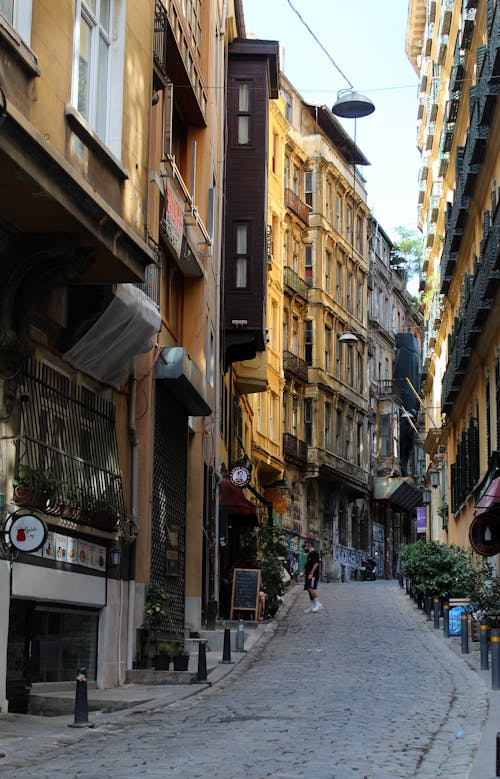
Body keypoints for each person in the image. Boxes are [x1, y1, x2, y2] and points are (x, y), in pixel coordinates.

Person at [301, 539, 322, 613]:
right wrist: (303, 573)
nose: (303, 548)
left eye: (304, 547)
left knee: (310, 588)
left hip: (313, 575)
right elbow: (307, 565)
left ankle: (318, 604)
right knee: (308, 590)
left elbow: (316, 563)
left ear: (308, 545)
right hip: (308, 574)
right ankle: (313, 606)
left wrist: (311, 573)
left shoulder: (315, 553)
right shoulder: (309, 554)